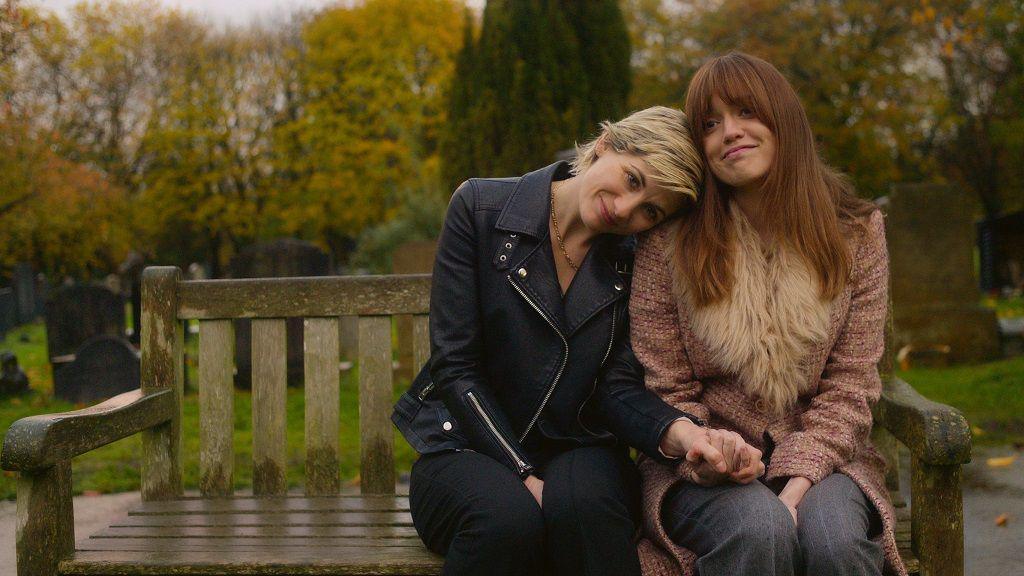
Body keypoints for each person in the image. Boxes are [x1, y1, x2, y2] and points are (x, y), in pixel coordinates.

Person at [392, 106, 755, 576]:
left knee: (585, 509)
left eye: (650, 210)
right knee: (505, 522)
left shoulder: (635, 259)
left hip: (580, 446)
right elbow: (456, 366)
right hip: (462, 445)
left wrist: (688, 435)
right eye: (631, 179)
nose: (626, 209)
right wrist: (523, 473)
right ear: (605, 144)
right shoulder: (481, 208)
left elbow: (616, 388)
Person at [629, 53, 908, 576]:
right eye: (709, 125)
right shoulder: (669, 245)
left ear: (782, 118)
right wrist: (711, 453)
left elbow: (851, 383)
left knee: (835, 543)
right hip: (699, 464)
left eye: (745, 112)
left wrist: (796, 484)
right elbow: (664, 386)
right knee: (757, 531)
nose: (729, 133)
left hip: (828, 458)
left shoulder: (855, 233)